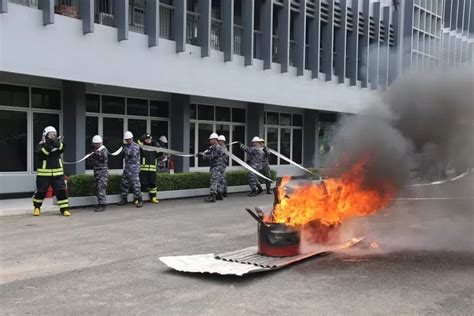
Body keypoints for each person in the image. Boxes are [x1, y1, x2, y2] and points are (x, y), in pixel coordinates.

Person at [32, 126, 71, 217]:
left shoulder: (56, 143)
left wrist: (57, 144)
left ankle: (64, 209)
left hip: (58, 174)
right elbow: (44, 153)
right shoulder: (40, 145)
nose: (53, 136)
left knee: (61, 191)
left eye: (54, 134)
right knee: (41, 192)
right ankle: (37, 208)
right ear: (45, 135)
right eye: (50, 134)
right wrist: (49, 144)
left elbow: (62, 148)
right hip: (44, 175)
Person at [117, 131, 143, 207]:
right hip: (127, 168)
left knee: (136, 185)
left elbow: (131, 154)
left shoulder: (135, 146)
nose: (128, 140)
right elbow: (122, 156)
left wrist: (124, 149)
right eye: (126, 139)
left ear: (132, 138)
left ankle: (139, 200)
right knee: (124, 183)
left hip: (134, 169)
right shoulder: (126, 146)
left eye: (129, 139)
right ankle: (124, 199)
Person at [199, 133, 224, 203]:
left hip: (216, 167)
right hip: (219, 167)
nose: (210, 140)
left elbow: (213, 156)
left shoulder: (216, 147)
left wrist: (203, 156)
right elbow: (209, 153)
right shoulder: (216, 147)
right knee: (218, 181)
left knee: (214, 181)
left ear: (215, 140)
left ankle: (212, 196)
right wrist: (201, 154)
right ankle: (219, 195)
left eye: (211, 139)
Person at [88, 135, 109, 212]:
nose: (97, 145)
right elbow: (90, 161)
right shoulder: (93, 150)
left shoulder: (103, 149)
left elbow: (104, 158)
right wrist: (92, 155)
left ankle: (102, 205)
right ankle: (99, 203)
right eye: (95, 144)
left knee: (101, 188)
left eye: (98, 143)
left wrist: (97, 154)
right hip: (96, 172)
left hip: (103, 173)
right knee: (97, 188)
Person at [137, 133, 159, 204]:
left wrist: (155, 143)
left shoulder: (155, 147)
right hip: (143, 170)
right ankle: (138, 199)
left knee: (153, 184)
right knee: (143, 184)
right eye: (146, 139)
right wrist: (142, 138)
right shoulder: (142, 147)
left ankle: (153, 197)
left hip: (153, 170)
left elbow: (160, 152)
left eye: (149, 139)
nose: (148, 140)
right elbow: (138, 142)